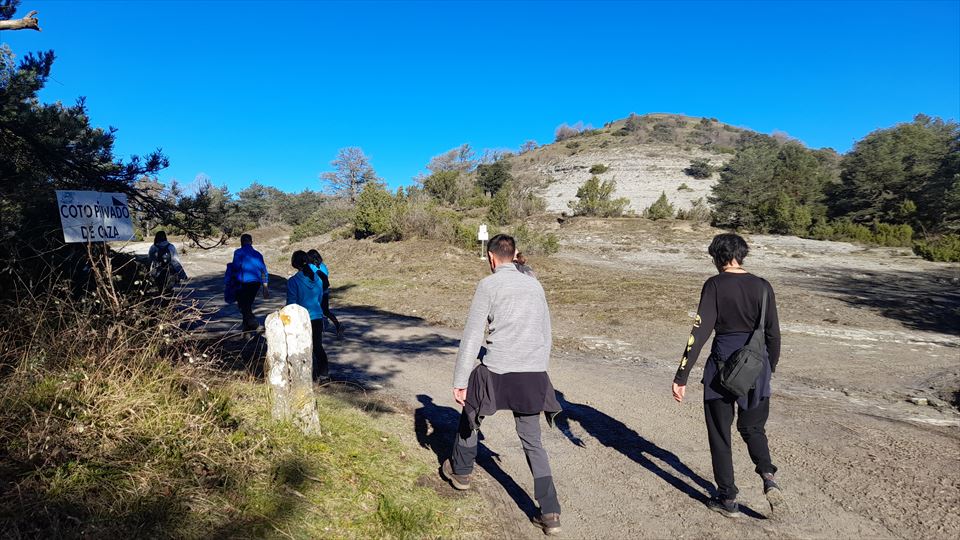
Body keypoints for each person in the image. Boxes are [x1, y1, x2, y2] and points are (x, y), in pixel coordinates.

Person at [440, 234, 563, 536]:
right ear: (514, 254)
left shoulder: (488, 285)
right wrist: (537, 367)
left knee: (471, 415)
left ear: (492, 258)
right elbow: (546, 333)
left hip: (497, 371)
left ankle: (461, 473)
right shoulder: (535, 284)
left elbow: (471, 337)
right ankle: (550, 512)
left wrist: (460, 380)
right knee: (532, 440)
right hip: (533, 373)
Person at [671, 233, 785, 518]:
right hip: (756, 368)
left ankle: (728, 499)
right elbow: (773, 335)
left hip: (721, 370)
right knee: (753, 429)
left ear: (717, 257)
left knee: (720, 435)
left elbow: (698, 333)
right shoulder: (762, 286)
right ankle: (768, 475)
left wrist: (681, 376)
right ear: (742, 254)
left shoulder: (714, 286)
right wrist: (767, 370)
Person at [287, 250, 342, 384]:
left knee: (300, 347)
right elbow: (319, 297)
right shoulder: (318, 279)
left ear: (294, 264)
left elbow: (291, 304)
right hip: (317, 316)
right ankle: (324, 375)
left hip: (301, 318)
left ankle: (302, 375)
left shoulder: (293, 281)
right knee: (317, 347)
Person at [231, 233, 269, 332]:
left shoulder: (238, 252)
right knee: (247, 304)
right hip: (256, 284)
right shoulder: (258, 254)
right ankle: (246, 328)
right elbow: (264, 272)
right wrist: (265, 287)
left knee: (243, 306)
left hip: (243, 283)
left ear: (241, 242)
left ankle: (255, 325)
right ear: (251, 242)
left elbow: (235, 269)